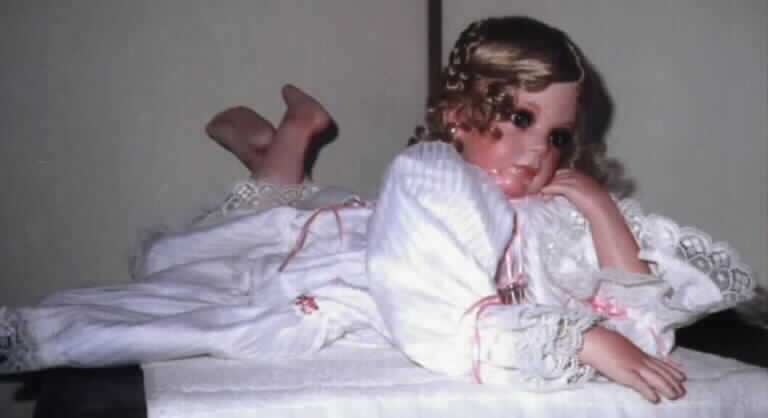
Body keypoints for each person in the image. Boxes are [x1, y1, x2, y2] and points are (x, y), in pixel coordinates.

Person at [0, 16, 755, 405]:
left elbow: (644, 327)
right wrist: (581, 338)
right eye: (519, 119)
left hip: (376, 230)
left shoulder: (558, 212)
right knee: (251, 251)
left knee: (283, 219)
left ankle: (275, 147)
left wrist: (600, 210)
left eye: (557, 135)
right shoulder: (435, 182)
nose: (538, 150)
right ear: (458, 117)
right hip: (371, 258)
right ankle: (281, 144)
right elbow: (445, 320)